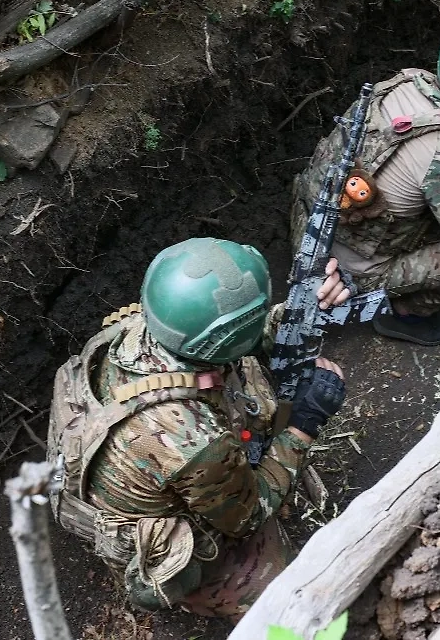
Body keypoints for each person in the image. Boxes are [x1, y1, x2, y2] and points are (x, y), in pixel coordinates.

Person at [46, 237, 351, 619]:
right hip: (164, 528)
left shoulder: (152, 326)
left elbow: (230, 335)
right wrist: (305, 425)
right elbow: (247, 517)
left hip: (145, 457)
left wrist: (301, 314)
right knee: (289, 594)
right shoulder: (194, 441)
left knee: (254, 387)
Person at [291, 15, 440, 346]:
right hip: (353, 268)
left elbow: (411, 155)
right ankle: (401, 312)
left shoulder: (408, 83)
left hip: (311, 222)